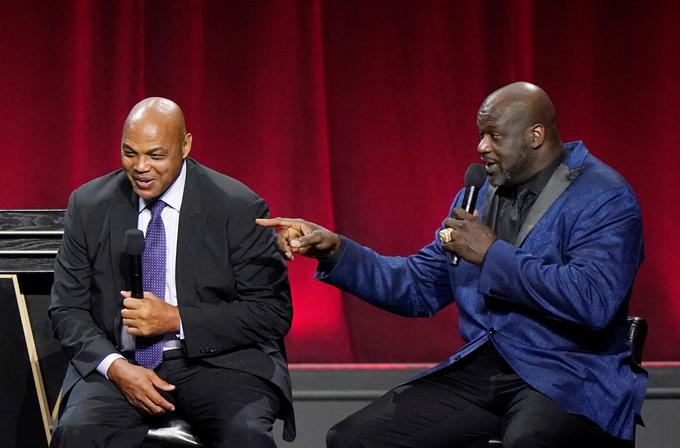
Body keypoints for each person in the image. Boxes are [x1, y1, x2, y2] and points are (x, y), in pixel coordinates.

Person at [257, 82, 645, 448]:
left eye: (494, 136)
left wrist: (493, 256)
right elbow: (416, 286)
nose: (481, 147)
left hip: (571, 373)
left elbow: (592, 301)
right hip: (489, 367)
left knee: (529, 440)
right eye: (480, 134)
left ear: (535, 136)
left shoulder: (604, 197)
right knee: (354, 438)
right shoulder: (478, 196)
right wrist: (336, 250)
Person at [49, 97, 294, 447]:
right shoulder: (89, 205)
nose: (141, 167)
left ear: (185, 146)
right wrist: (116, 367)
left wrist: (176, 319)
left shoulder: (236, 206)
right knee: (76, 433)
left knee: (245, 436)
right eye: (130, 153)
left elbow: (272, 312)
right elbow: (66, 308)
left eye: (156, 155)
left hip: (218, 363)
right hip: (122, 362)